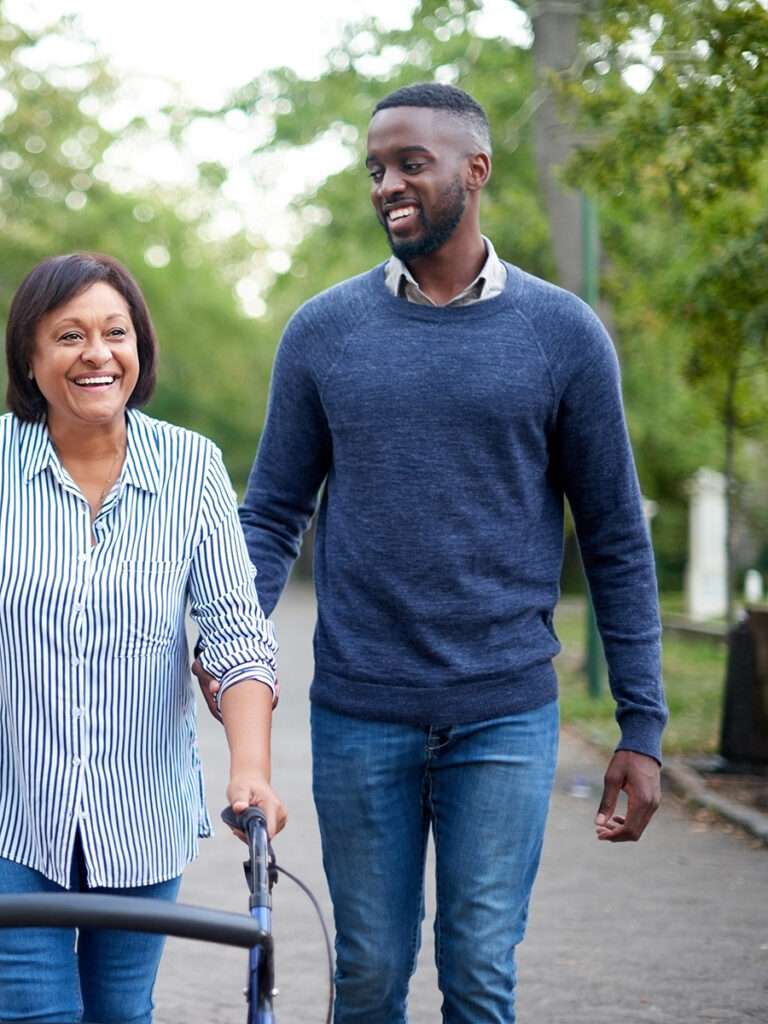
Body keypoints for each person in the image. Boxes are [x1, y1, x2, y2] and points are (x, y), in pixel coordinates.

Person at [196, 83, 666, 1023]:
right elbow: (271, 513)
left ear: (474, 171)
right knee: (368, 972)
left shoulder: (564, 334)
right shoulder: (323, 333)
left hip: (505, 711)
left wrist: (641, 726)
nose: (389, 185)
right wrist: (230, 644)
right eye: (376, 168)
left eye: (411, 163)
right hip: (362, 708)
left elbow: (615, 535)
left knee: (481, 972)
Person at [0, 251, 286, 1024]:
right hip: (10, 802)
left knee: (123, 1012)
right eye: (69, 335)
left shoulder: (192, 468)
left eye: (115, 332)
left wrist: (249, 769)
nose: (97, 353)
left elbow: (236, 635)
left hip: (141, 808)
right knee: (38, 1012)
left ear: (139, 349)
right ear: (31, 355)